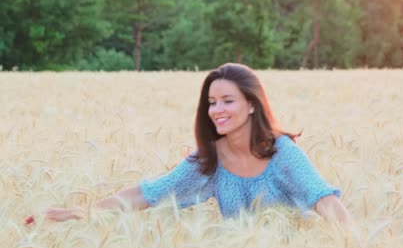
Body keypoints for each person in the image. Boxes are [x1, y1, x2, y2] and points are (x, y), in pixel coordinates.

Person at [26, 63, 351, 225]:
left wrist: (353, 247)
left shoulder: (282, 154)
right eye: (211, 102)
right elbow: (148, 194)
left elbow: (322, 198)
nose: (217, 111)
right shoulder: (211, 160)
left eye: (227, 101)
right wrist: (76, 213)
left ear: (252, 104)